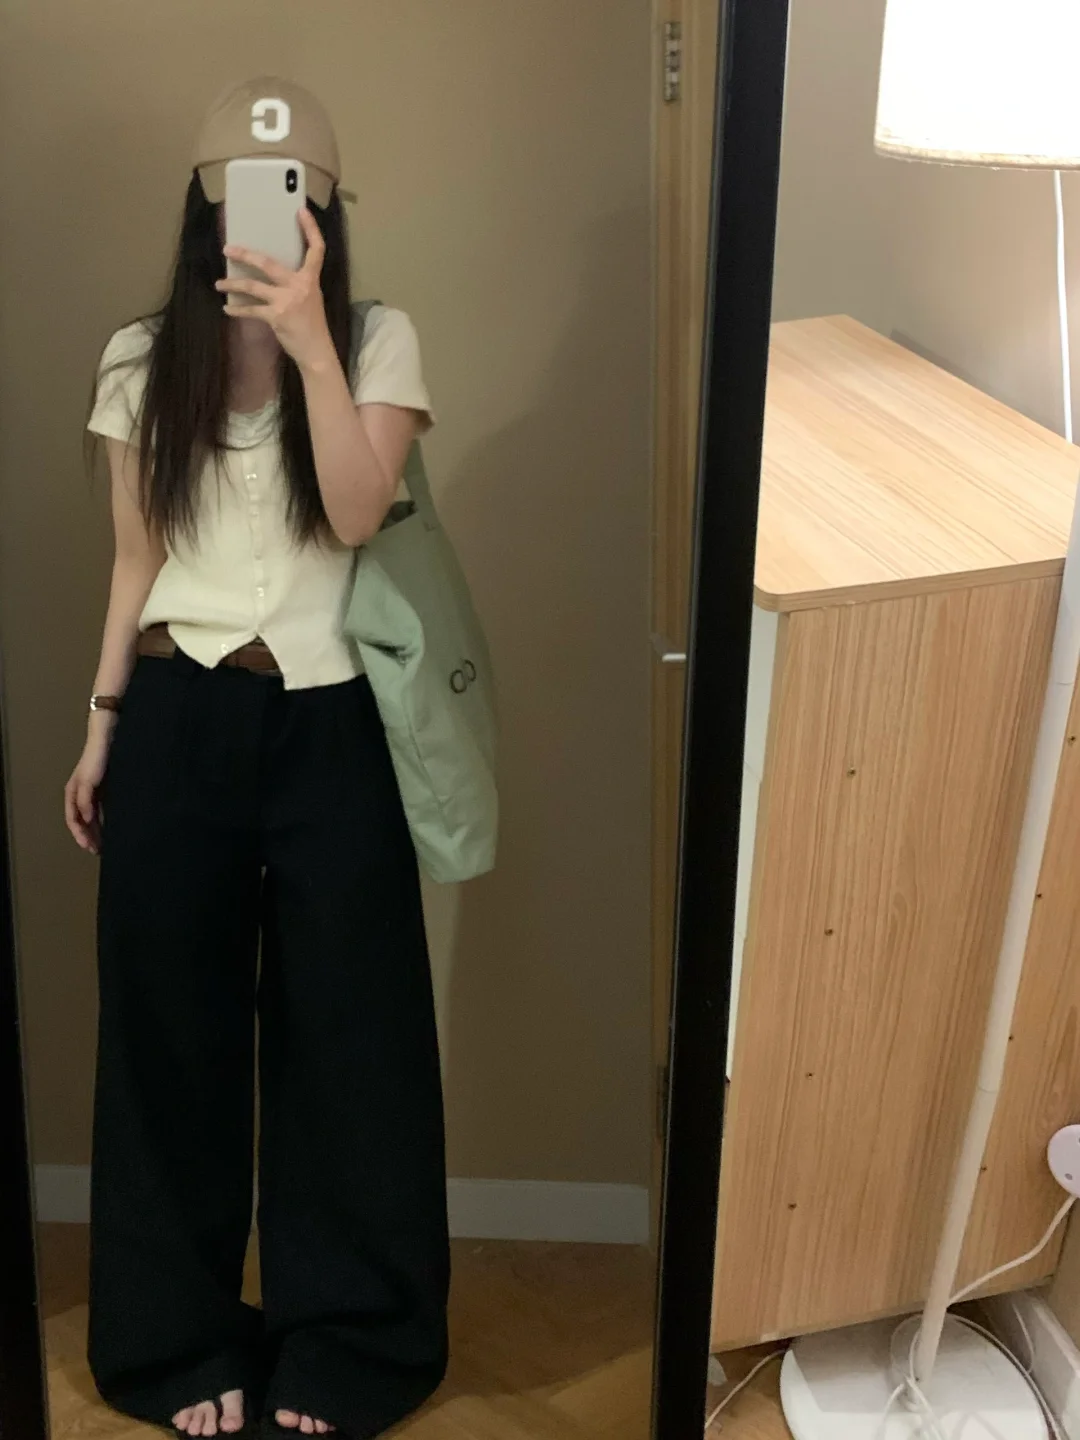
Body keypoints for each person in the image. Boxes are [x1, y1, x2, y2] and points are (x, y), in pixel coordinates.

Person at [63, 77, 450, 1440]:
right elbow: (135, 566)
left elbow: (352, 514)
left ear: (328, 216)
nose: (269, 225)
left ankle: (350, 1342)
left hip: (333, 725)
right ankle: (173, 1340)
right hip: (176, 716)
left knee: (353, 1035)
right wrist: (100, 730)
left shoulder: (380, 341)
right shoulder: (138, 360)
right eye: (243, 197)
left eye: (298, 203)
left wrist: (311, 349)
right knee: (166, 1034)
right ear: (202, 207)